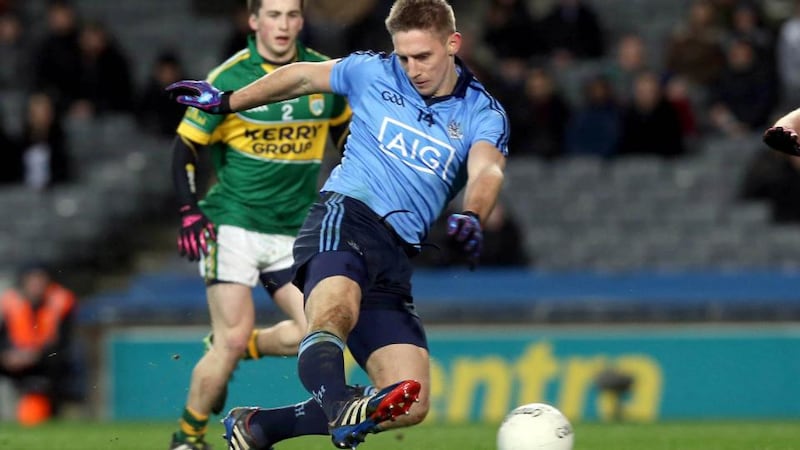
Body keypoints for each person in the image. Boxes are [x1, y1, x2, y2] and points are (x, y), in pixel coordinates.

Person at [166, 0, 508, 448]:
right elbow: (302, 76)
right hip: (342, 218)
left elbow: (487, 171)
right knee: (332, 315)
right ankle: (316, 409)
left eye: (423, 57)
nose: (412, 69)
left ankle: (260, 427)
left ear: (453, 43)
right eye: (403, 56)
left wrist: (472, 213)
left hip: (396, 254)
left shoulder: (483, 113)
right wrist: (230, 101)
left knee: (412, 401)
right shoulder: (372, 71)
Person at [166, 1, 352, 449]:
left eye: (291, 14)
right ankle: (187, 439)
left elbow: (346, 139)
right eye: (273, 14)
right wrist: (189, 209)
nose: (283, 24)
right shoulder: (228, 79)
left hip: (293, 229)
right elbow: (185, 147)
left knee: (320, 333)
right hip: (234, 225)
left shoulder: (323, 75)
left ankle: (250, 346)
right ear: (253, 21)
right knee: (227, 340)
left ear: (302, 20)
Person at [0, 262, 76, 425]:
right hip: (14, 359)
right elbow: (3, 335)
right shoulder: (10, 302)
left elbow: (63, 342)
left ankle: (46, 412)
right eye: (32, 280)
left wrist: (35, 356)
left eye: (41, 280)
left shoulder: (61, 301)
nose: (36, 285)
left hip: (45, 360)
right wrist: (7, 355)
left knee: (56, 366)